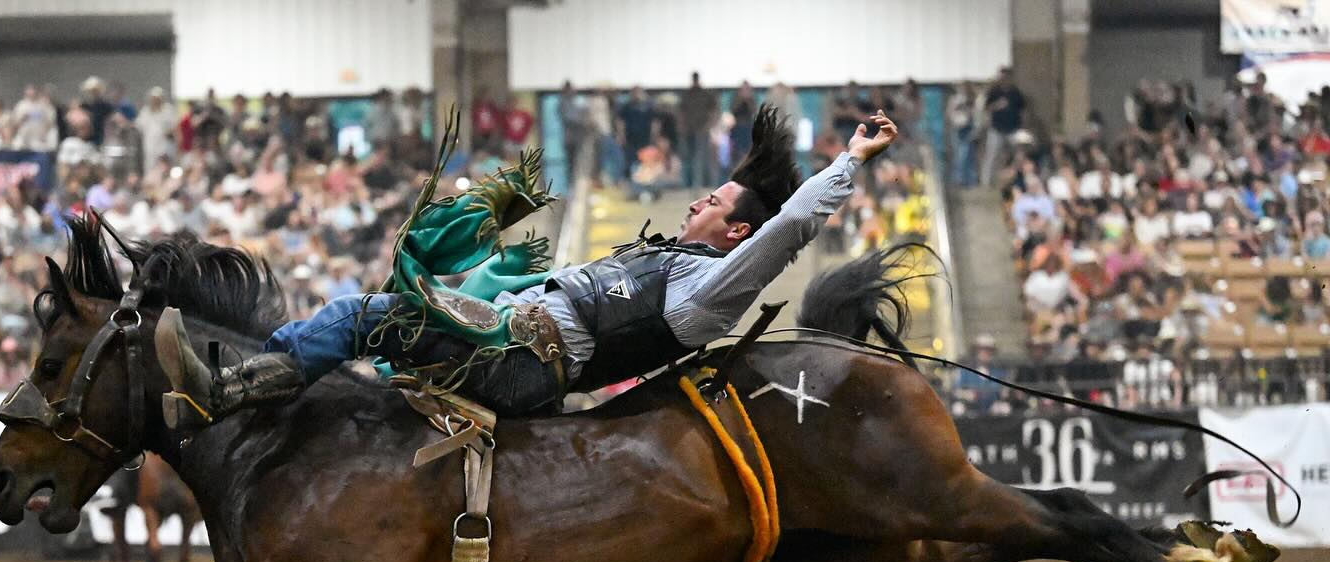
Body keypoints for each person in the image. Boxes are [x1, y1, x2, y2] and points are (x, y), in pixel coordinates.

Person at [157, 106, 900, 429]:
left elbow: (795, 222)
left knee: (363, 315)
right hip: (515, 339)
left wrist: (849, 161)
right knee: (384, 321)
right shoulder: (670, 262)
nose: (700, 200)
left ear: (738, 229)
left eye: (716, 200)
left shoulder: (714, 283)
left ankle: (226, 392)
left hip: (525, 361)